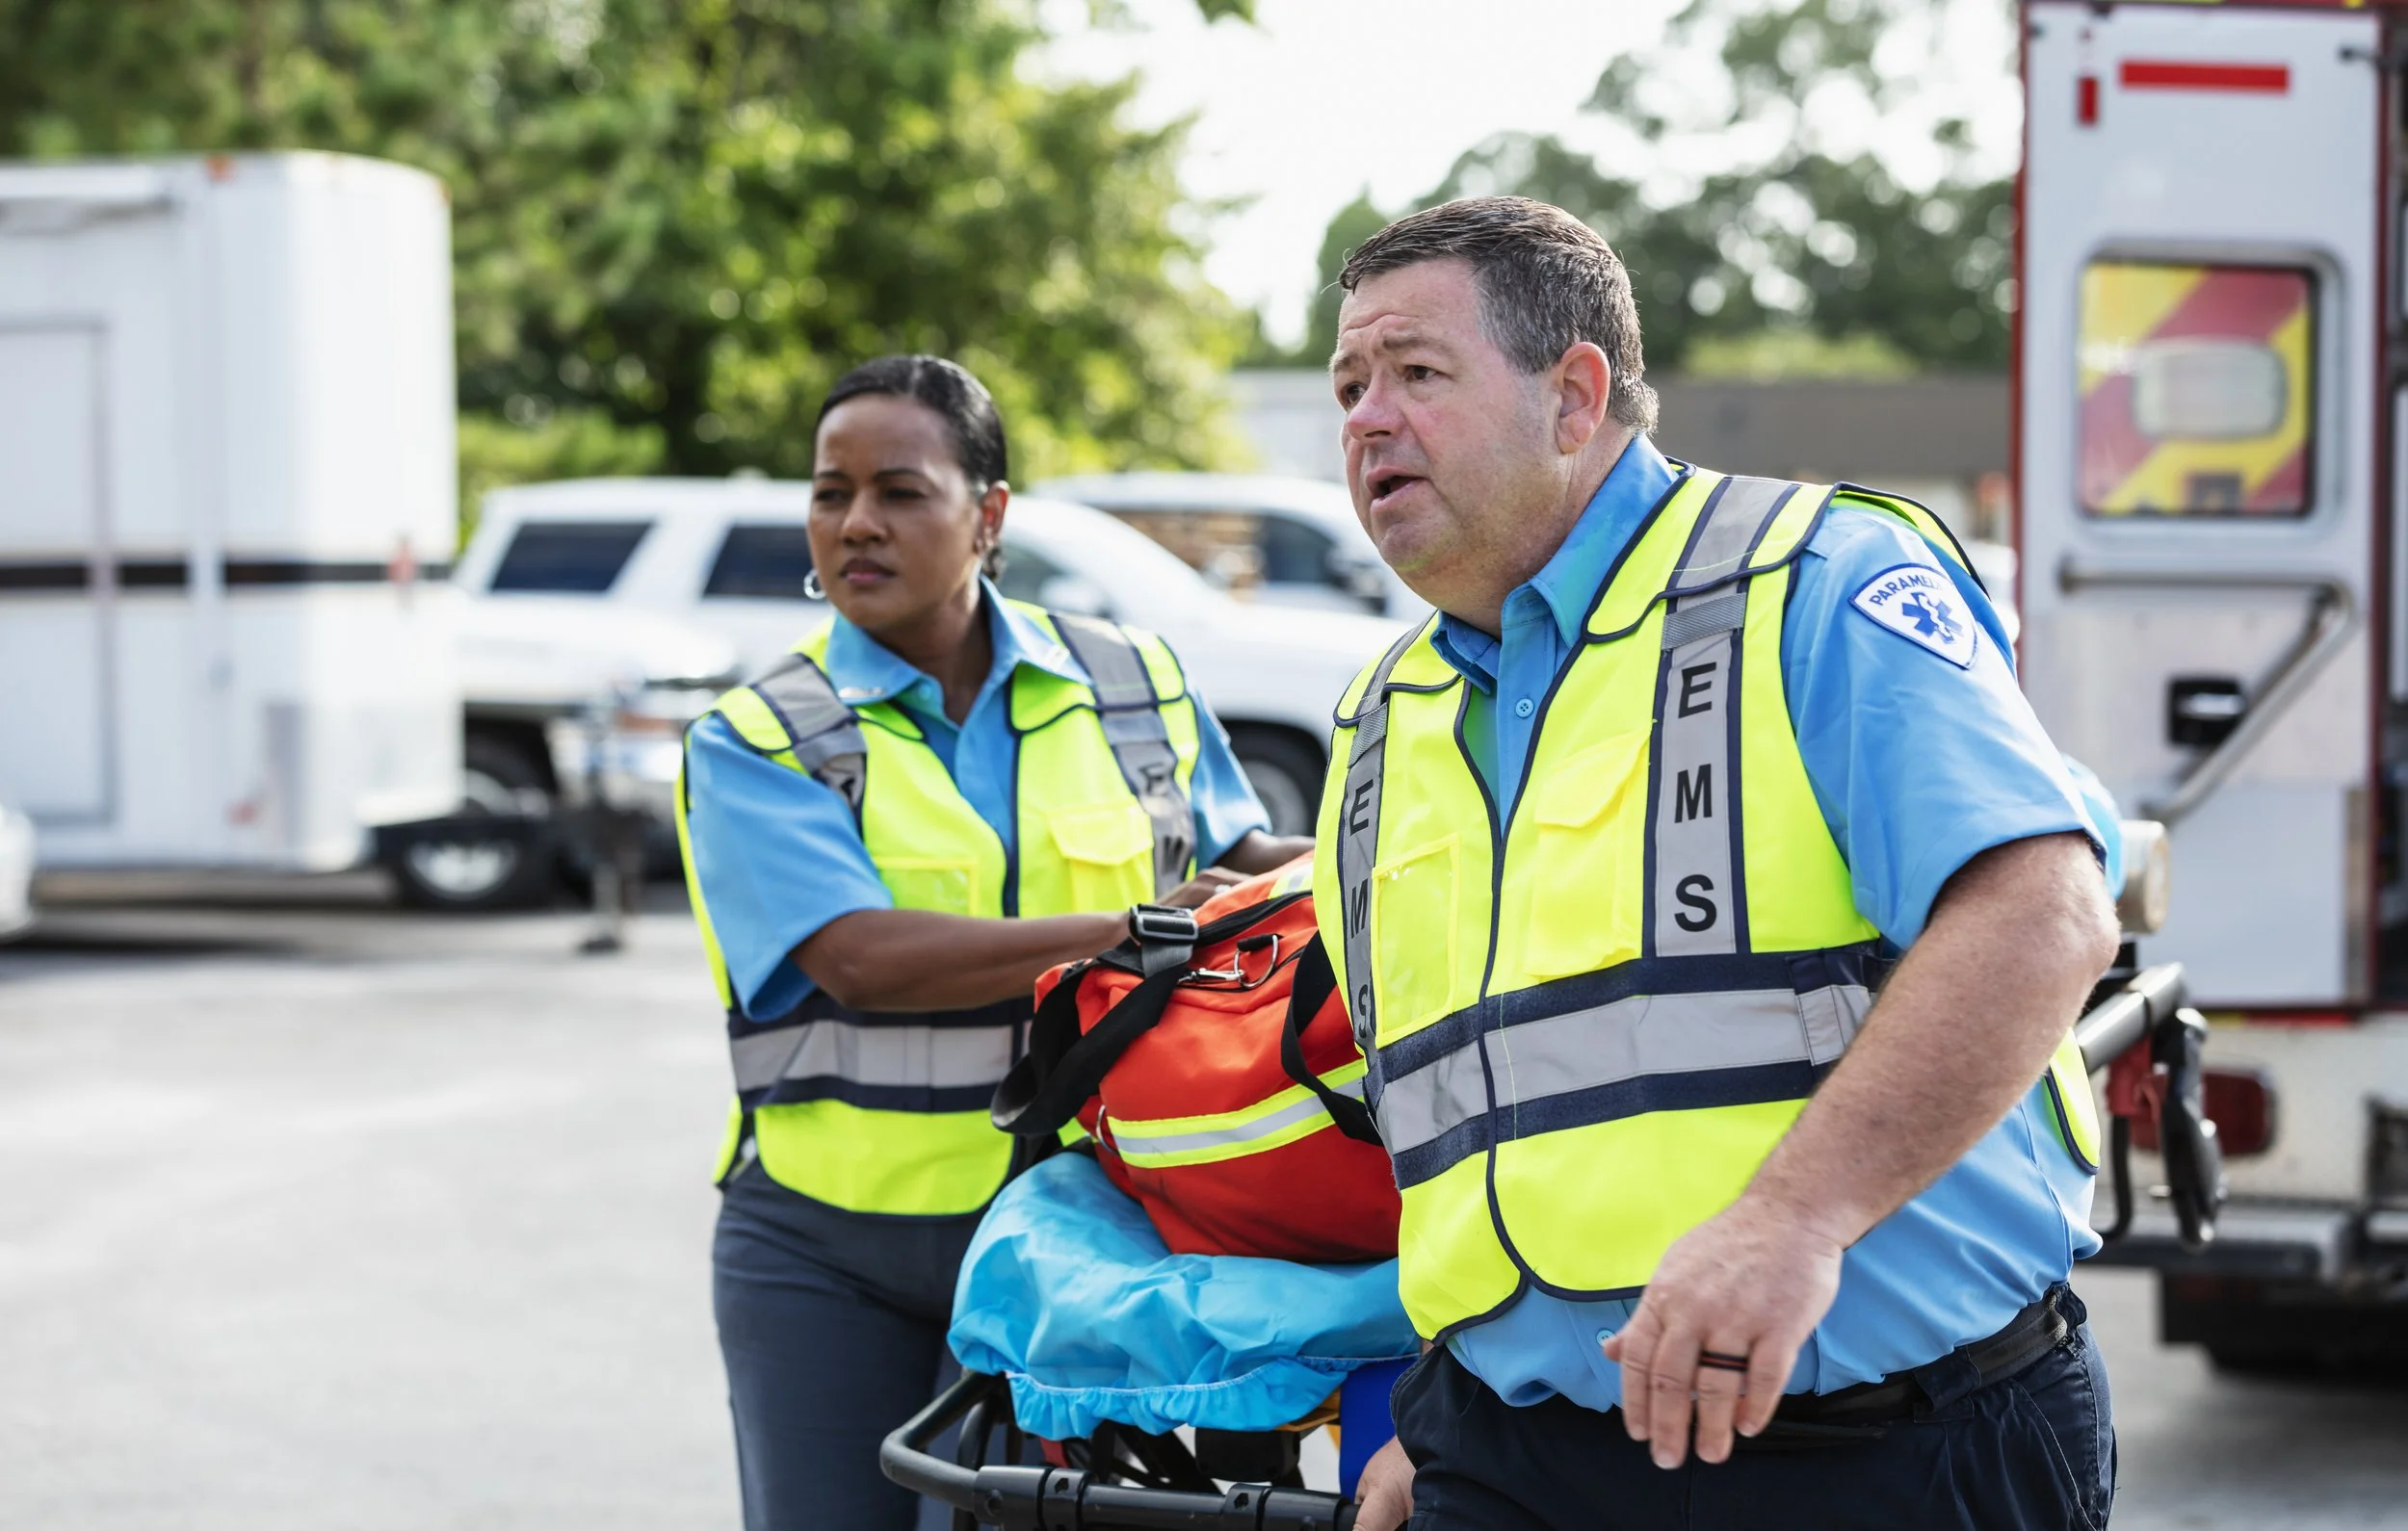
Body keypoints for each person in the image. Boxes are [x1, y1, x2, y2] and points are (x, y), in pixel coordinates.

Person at [1311, 197, 2125, 1530]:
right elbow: (1459, 1122)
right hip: (1510, 1463)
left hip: (1879, 1455)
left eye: (1414, 371)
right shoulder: (1379, 721)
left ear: (1576, 397)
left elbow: (2044, 911)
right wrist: (1449, 1393)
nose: (1364, 418)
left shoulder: (1812, 577)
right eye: (1349, 383)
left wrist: (1793, 1220)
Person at [677, 354, 1309, 1530]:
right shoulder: (758, 737)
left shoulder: (1135, 685)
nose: (856, 523)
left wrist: (1365, 862)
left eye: (900, 491)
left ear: (990, 513)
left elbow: (1244, 861)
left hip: (1076, 1238)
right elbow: (862, 957)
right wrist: (1139, 932)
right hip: (829, 1252)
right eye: (829, 493)